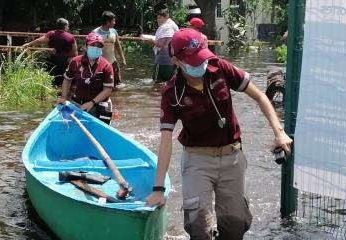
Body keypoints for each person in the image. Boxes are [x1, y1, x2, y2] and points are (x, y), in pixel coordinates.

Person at [145, 29, 293, 240]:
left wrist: (279, 132)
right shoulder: (172, 93)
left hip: (232, 158)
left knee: (235, 227)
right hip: (197, 161)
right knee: (199, 227)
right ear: (177, 60)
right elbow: (166, 142)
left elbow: (260, 96)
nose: (201, 65)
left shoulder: (219, 67)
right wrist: (158, 188)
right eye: (194, 62)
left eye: (202, 58)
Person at [57, 32, 114, 124]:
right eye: (93, 45)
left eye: (99, 46)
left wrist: (92, 102)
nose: (96, 48)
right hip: (78, 103)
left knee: (101, 127)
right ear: (86, 47)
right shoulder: (75, 62)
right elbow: (67, 79)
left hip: (98, 103)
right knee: (70, 125)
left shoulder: (106, 65)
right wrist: (63, 97)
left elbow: (107, 89)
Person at [23, 18, 77, 86]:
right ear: (65, 27)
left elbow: (39, 41)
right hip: (65, 63)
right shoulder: (71, 37)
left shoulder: (51, 33)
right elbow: (75, 53)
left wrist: (29, 44)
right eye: (68, 26)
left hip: (53, 61)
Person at [144, 9, 179, 82]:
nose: (158, 20)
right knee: (169, 82)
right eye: (157, 18)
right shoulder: (173, 25)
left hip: (163, 60)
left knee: (156, 83)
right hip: (172, 59)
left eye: (159, 18)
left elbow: (163, 44)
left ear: (166, 17)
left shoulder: (166, 26)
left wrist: (151, 41)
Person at [93, 11, 126, 88]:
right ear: (108, 22)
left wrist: (123, 59)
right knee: (100, 84)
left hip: (112, 61)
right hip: (99, 63)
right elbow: (89, 48)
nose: (115, 23)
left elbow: (118, 45)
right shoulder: (95, 32)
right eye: (113, 21)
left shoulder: (114, 31)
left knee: (118, 85)